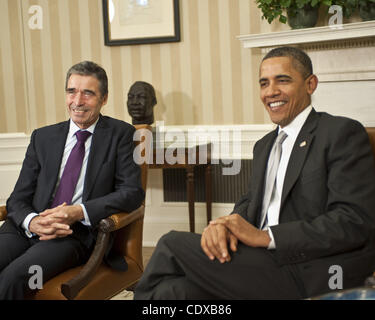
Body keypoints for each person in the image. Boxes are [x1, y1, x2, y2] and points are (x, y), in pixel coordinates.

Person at [134, 46, 375, 300]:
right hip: (258, 263)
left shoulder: (340, 133)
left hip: (309, 267)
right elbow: (250, 203)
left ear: (310, 84)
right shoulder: (264, 145)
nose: (271, 91)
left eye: (283, 80)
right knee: (172, 292)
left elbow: (353, 221)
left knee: (171, 244)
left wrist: (267, 237)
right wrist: (224, 226)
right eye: (264, 83)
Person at [0, 61, 144, 299]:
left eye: (88, 93)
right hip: (24, 229)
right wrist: (32, 221)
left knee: (16, 277)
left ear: (104, 98)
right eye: (71, 91)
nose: (77, 101)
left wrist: (78, 212)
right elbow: (18, 197)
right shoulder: (42, 137)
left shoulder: (121, 135)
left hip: (73, 235)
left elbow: (131, 192)